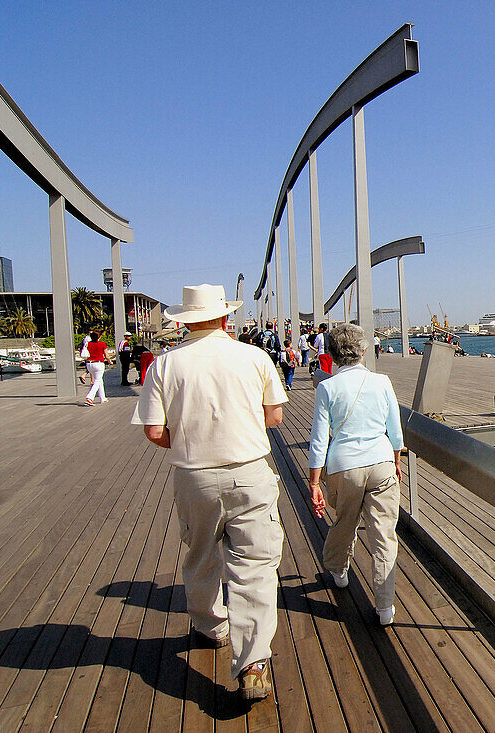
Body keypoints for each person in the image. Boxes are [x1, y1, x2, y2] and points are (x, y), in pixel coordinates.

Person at [131, 284, 288, 701]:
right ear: (224, 317)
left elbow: (154, 430)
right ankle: (253, 663)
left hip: (194, 476)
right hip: (250, 473)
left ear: (186, 320)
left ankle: (209, 626)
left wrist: (190, 440)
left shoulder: (165, 365)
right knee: (254, 566)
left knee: (200, 553)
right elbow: (274, 417)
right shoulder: (255, 357)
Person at [308, 324, 404, 627]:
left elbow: (319, 438)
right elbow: (395, 430)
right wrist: (396, 460)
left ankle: (338, 571)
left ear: (333, 355)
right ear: (364, 350)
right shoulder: (381, 381)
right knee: (384, 534)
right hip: (380, 462)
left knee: (344, 521)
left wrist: (314, 482)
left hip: (343, 466)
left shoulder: (327, 387)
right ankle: (385, 606)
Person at [82, 331, 111, 405]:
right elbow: (106, 355)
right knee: (97, 381)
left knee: (99, 380)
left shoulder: (87, 344)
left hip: (89, 364)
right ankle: (90, 397)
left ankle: (103, 398)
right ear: (99, 337)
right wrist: (110, 361)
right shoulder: (102, 344)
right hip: (98, 364)